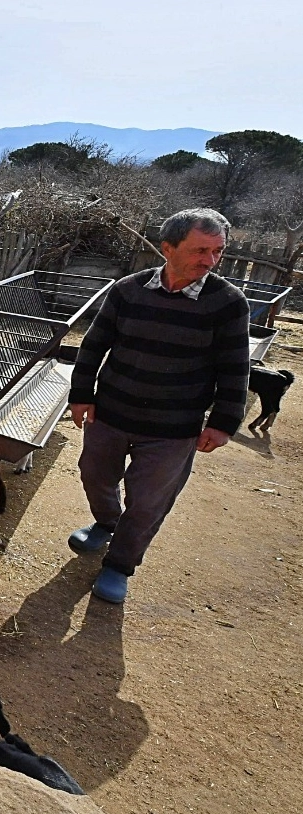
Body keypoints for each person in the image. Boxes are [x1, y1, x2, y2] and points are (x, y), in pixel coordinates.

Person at [66, 208, 251, 604]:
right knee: (94, 475)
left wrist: (223, 422)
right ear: (168, 248)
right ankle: (106, 522)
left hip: (173, 427)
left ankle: (119, 566)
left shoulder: (228, 303)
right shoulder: (128, 290)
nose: (210, 260)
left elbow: (235, 368)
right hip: (111, 412)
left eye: (217, 252)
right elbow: (94, 344)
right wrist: (81, 394)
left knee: (149, 501)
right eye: (201, 250)